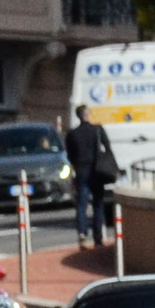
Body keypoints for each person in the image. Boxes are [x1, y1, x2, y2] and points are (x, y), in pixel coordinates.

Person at [64, 105, 117, 249]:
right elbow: (107, 147)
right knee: (98, 204)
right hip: (97, 170)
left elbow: (69, 154)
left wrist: (76, 164)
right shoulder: (97, 130)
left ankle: (82, 234)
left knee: (81, 204)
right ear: (88, 115)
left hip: (81, 171)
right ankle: (98, 238)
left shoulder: (72, 134)